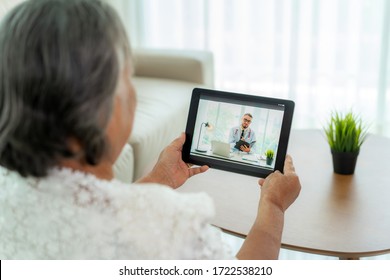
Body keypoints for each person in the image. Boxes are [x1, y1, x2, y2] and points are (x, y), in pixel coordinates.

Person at [0, 0, 301, 259]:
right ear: (96, 107)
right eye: (128, 76)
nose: (135, 93)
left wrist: (160, 178)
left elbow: (98, 218)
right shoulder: (170, 225)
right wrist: (273, 205)